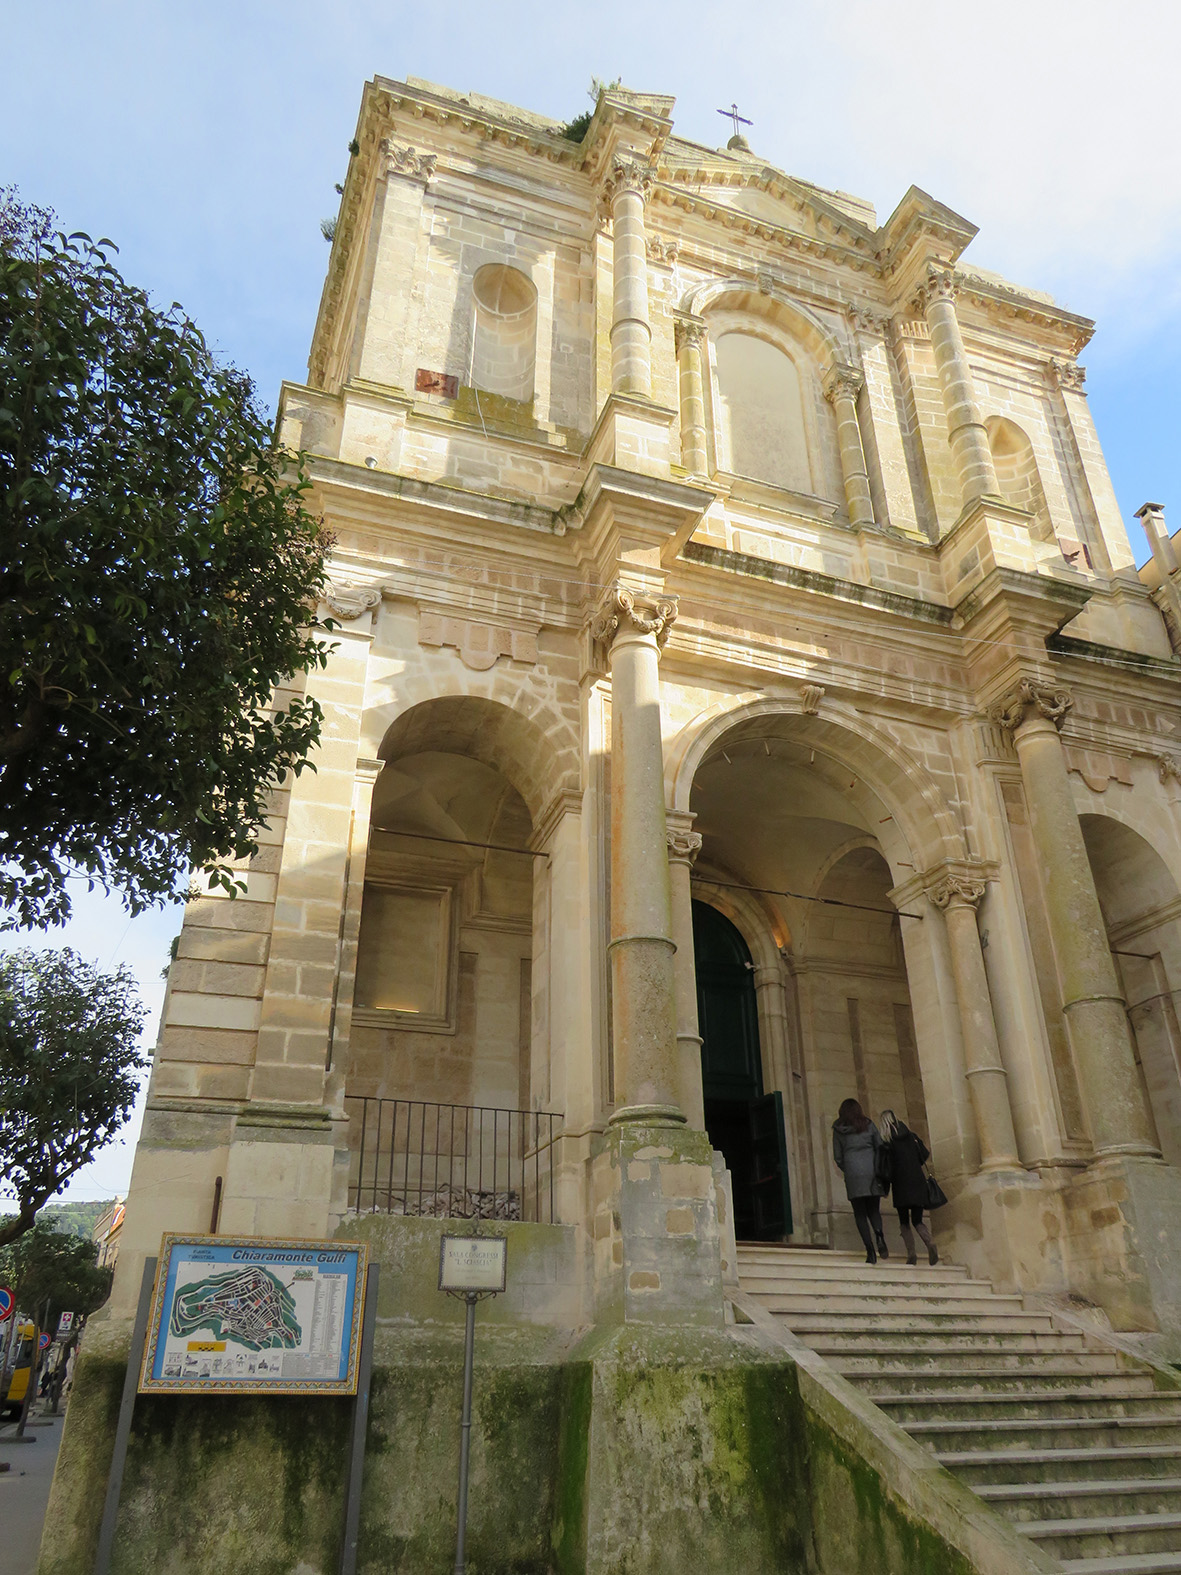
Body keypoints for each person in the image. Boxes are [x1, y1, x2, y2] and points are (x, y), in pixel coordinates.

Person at [832, 1097, 889, 1263]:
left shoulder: (838, 1129)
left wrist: (848, 1169)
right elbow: (879, 1145)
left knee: (860, 1213)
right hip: (871, 1172)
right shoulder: (868, 1124)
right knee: (873, 1210)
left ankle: (870, 1250)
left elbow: (838, 1156)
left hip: (852, 1173)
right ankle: (879, 1236)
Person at [879, 1109, 938, 1266]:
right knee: (917, 1220)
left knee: (904, 1221)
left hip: (901, 1185)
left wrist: (884, 1189)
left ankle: (911, 1254)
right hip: (917, 1182)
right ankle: (930, 1243)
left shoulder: (888, 1142)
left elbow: (887, 1169)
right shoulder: (912, 1137)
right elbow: (924, 1154)